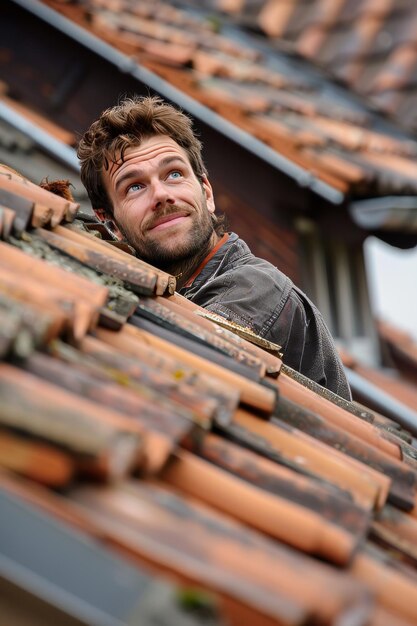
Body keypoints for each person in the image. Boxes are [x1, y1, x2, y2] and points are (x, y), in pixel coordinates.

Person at [78, 95, 351, 400]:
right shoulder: (162, 290)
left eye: (174, 174)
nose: (161, 194)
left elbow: (173, 385)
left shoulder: (256, 290)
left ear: (206, 193)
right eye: (135, 186)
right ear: (112, 224)